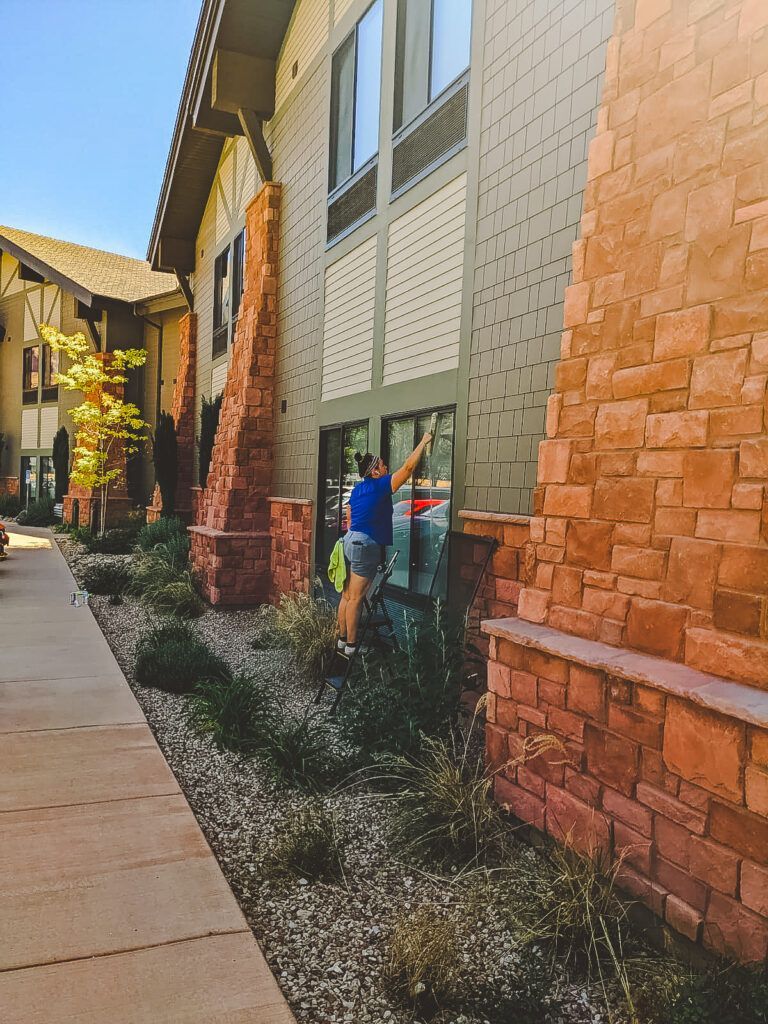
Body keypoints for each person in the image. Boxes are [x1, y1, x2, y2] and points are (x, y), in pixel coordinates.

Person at [337, 430, 433, 656]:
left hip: (350, 540)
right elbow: (408, 468)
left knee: (347, 595)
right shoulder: (380, 486)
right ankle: (352, 646)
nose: (387, 466)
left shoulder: (359, 488)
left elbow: (349, 514)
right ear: (375, 471)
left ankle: (342, 641)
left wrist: (356, 533)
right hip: (364, 544)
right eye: (383, 464)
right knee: (357, 598)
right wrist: (423, 441)